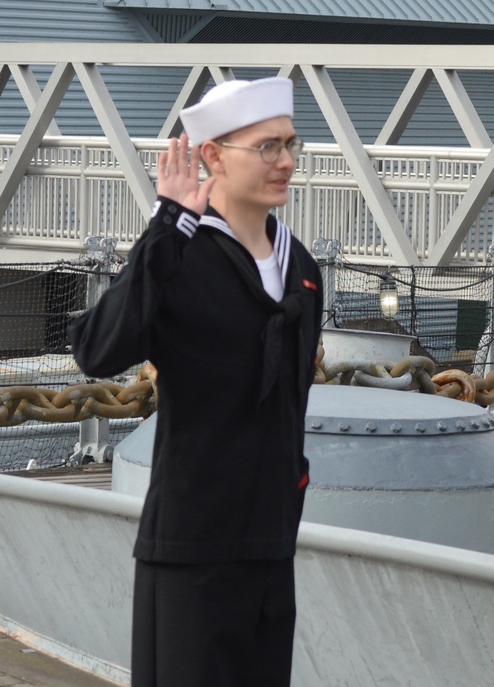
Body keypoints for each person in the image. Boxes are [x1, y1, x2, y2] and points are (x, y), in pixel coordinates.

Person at [69, 77, 323, 687]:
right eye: (266, 147)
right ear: (210, 155)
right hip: (192, 548)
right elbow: (98, 351)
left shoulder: (303, 272)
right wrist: (167, 223)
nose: (285, 162)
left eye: (291, 145)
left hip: (270, 545)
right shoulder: (178, 258)